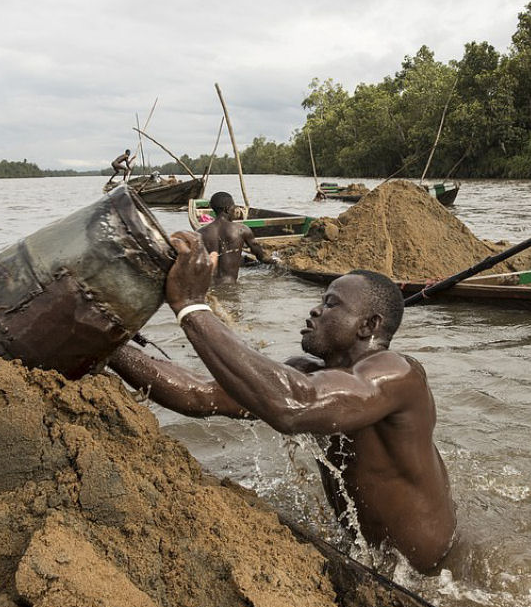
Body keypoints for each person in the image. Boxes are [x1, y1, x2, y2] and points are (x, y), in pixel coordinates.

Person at [108, 231, 457, 571]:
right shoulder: (306, 374)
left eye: (331, 303)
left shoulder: (397, 373)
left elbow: (295, 407)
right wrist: (109, 342)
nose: (315, 310)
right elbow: (200, 395)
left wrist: (190, 306)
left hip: (430, 572)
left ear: (368, 326)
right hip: (369, 556)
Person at [198, 191, 278, 284]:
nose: (235, 210)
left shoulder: (200, 233)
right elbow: (262, 257)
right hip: (231, 287)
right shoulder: (241, 230)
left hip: (208, 288)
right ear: (227, 209)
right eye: (234, 207)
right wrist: (277, 262)